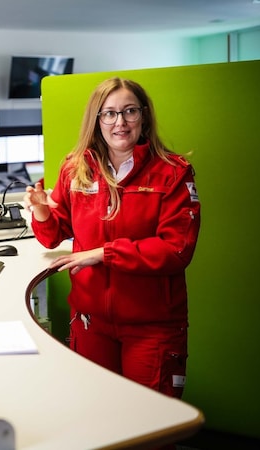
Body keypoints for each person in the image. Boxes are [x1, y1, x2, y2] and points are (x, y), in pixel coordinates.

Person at [23, 77, 201, 398]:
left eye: (130, 111)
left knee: (150, 426)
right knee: (96, 413)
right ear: (97, 120)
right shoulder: (75, 168)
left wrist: (104, 254)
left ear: (143, 116)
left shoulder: (173, 172)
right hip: (90, 322)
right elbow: (53, 236)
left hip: (152, 326)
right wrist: (42, 213)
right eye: (109, 113)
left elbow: (176, 250)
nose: (120, 122)